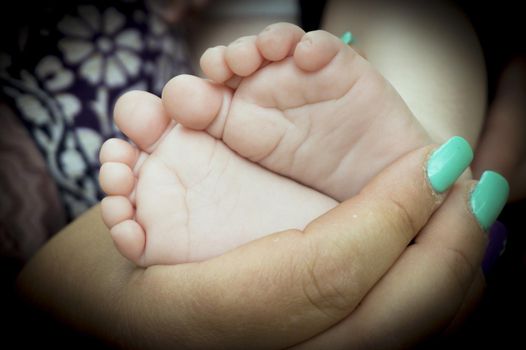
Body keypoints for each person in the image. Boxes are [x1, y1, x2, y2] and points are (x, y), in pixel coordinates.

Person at [9, 0, 525, 349]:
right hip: (168, 154)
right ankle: (388, 160)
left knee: (390, 17)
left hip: (218, 70)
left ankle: (412, 128)